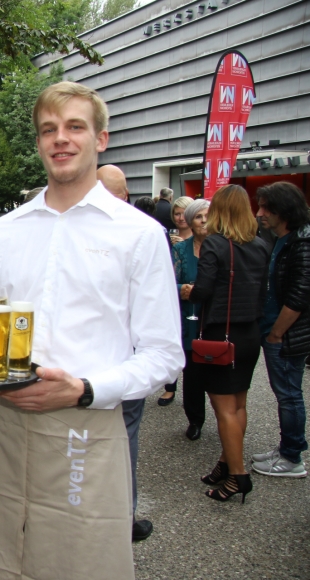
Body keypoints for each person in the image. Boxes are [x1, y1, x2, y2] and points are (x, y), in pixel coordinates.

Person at [0, 81, 183, 580]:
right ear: (39, 142)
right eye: (49, 129)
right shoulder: (5, 231)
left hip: (88, 422)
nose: (60, 139)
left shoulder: (139, 234)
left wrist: (84, 390)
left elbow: (164, 353)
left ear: (100, 139)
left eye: (74, 127)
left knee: (83, 564)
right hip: (8, 420)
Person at [188, 184, 269, 502]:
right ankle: (226, 462)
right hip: (249, 334)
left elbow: (204, 290)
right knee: (238, 405)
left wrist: (187, 291)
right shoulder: (261, 245)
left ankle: (238, 476)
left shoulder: (215, 244)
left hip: (221, 335)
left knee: (225, 410)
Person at [97, 163, 155, 542]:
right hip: (115, 360)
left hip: (123, 360)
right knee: (124, 437)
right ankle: (122, 518)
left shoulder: (143, 234)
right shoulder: (141, 233)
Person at [252, 181, 310, 478]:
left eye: (265, 208)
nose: (259, 213)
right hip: (278, 332)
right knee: (285, 393)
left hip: (286, 336)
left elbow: (300, 296)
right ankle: (287, 448)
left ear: (282, 210)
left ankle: (292, 457)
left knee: (289, 395)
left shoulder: (301, 243)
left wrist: (276, 333)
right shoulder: (283, 239)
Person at [164, 199, 210, 437]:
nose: (204, 221)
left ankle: (226, 418)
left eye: (207, 216)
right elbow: (168, 282)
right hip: (187, 317)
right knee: (191, 373)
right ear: (190, 221)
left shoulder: (222, 247)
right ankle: (195, 420)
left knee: (216, 372)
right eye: (199, 216)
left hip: (213, 318)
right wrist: (184, 288)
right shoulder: (181, 249)